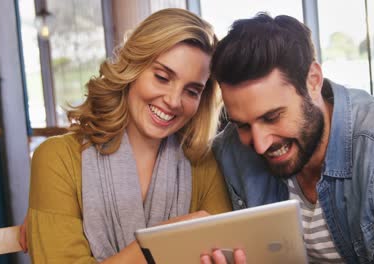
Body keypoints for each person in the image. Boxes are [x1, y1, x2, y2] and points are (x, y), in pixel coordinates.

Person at [209, 13, 374, 263]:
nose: (260, 144)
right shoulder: (231, 149)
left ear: (313, 81)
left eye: (272, 117)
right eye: (242, 125)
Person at [25, 8, 231, 263]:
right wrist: (167, 240)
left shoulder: (202, 164)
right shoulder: (57, 159)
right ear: (132, 67)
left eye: (192, 91)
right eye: (162, 77)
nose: (174, 101)